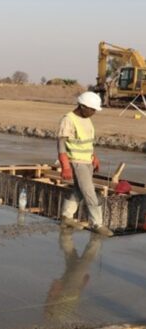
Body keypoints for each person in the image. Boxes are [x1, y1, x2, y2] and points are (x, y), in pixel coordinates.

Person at [58, 91, 114, 236]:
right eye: (92, 109)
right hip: (76, 162)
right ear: (82, 106)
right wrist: (65, 166)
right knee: (89, 193)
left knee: (78, 191)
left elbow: (86, 142)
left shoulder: (86, 118)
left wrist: (94, 156)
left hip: (87, 161)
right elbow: (61, 144)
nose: (94, 112)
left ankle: (66, 217)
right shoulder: (68, 119)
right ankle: (97, 224)